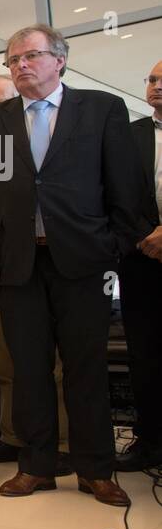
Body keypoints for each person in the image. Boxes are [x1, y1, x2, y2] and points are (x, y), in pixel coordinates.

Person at [0, 24, 162, 506]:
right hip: (17, 264)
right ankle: (35, 465)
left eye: (30, 56)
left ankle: (96, 469)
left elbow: (126, 188)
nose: (20, 66)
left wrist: (112, 247)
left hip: (83, 261)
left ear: (60, 60)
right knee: (29, 367)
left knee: (86, 368)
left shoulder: (100, 110)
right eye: (12, 60)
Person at [0, 75, 69, 469]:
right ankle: (12, 435)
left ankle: (59, 440)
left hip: (49, 263)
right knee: (4, 359)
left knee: (53, 362)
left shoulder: (42, 146)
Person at [117, 59, 162, 471]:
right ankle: (150, 442)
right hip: (142, 260)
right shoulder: (130, 136)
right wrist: (147, 237)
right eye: (151, 79)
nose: (156, 86)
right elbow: (117, 195)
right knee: (145, 354)